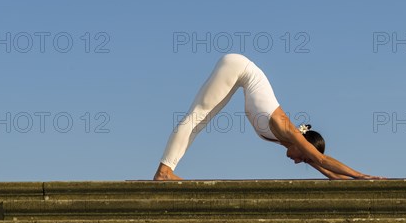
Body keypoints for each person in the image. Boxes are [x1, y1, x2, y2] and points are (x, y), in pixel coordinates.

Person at [153, 53, 386, 181]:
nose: (297, 162)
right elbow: (323, 161)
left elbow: (324, 169)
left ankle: (165, 171)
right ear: (303, 144)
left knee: (200, 120)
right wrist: (361, 175)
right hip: (239, 67)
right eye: (303, 157)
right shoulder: (287, 129)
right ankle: (164, 172)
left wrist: (357, 185)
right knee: (197, 117)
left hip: (239, 76)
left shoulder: (289, 141)